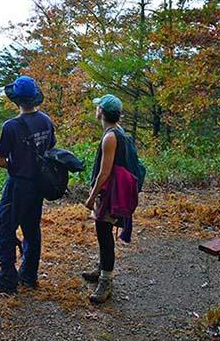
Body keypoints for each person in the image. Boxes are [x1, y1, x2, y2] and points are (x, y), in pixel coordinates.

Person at [0, 76, 56, 294]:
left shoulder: (11, 126)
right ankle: (29, 275)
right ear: (35, 98)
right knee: (32, 230)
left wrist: (17, 165)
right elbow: (50, 149)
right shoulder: (46, 120)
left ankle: (7, 279)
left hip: (17, 186)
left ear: (16, 100)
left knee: (4, 230)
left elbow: (1, 161)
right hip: (38, 186)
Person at [83, 94, 127, 303]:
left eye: (97, 108)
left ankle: (106, 281)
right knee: (105, 233)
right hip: (114, 192)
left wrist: (91, 198)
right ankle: (102, 269)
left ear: (101, 112)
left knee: (104, 236)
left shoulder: (110, 137)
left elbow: (104, 172)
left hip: (109, 195)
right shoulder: (119, 131)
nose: (96, 110)